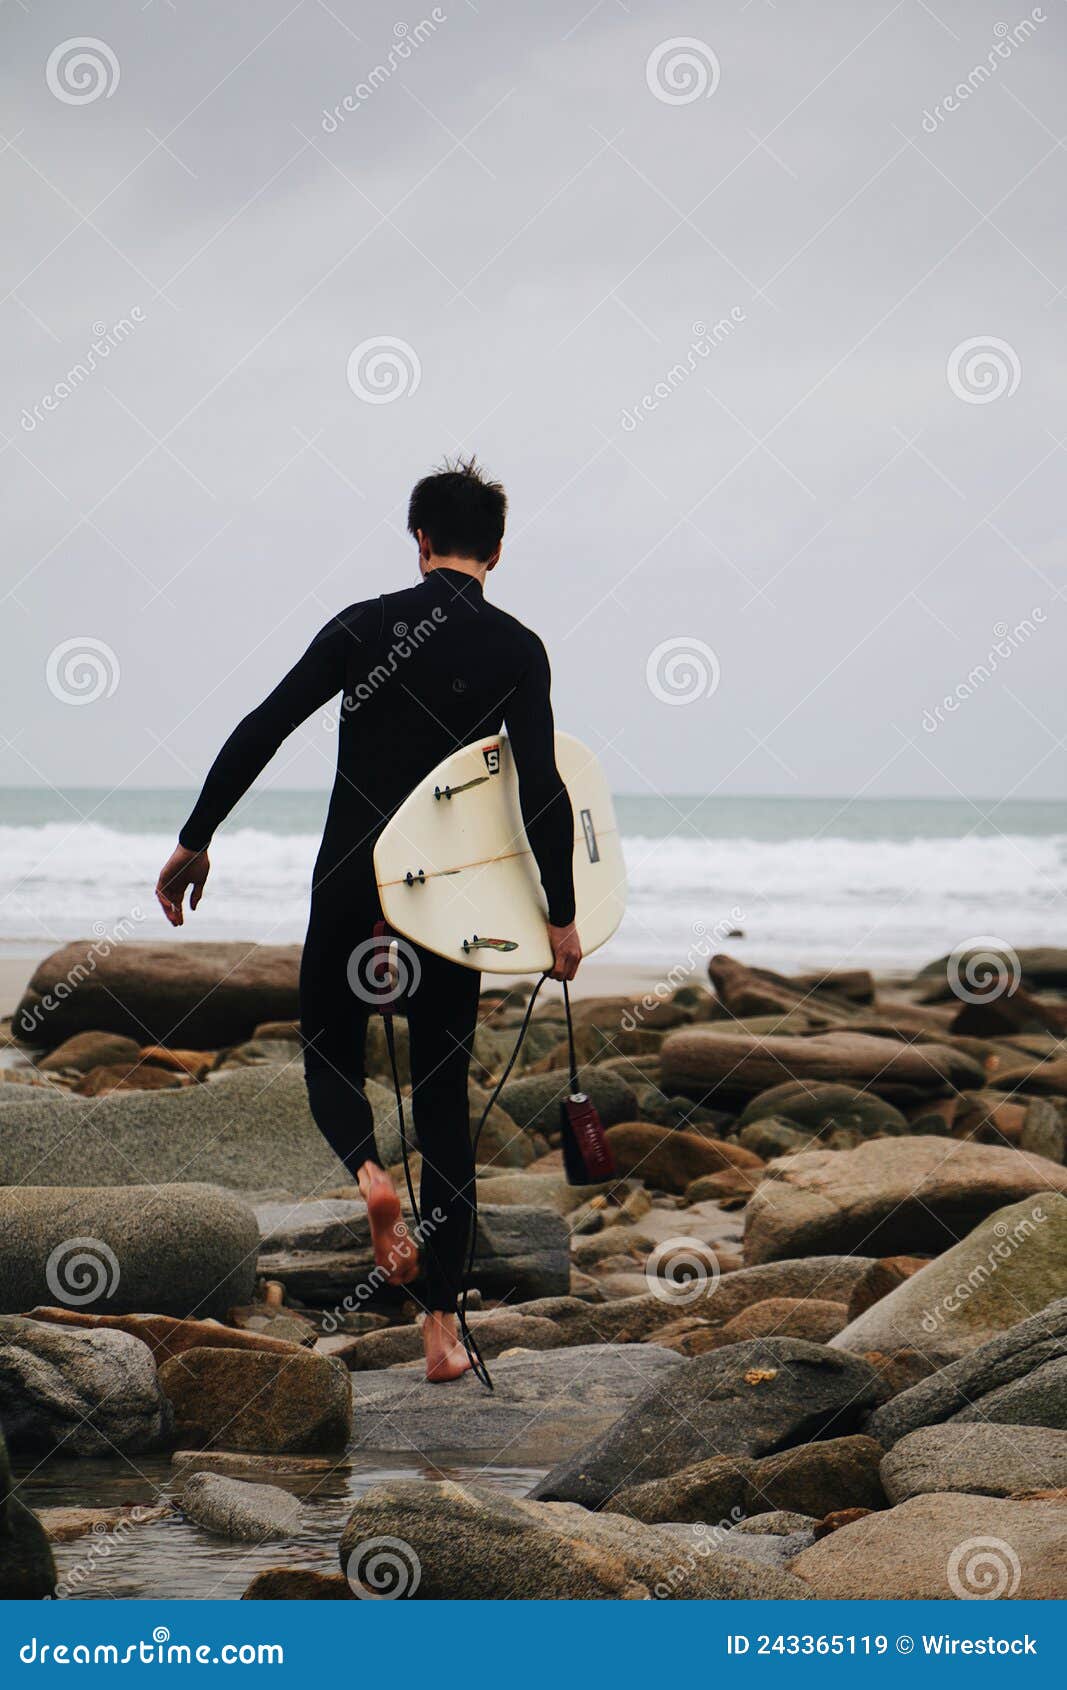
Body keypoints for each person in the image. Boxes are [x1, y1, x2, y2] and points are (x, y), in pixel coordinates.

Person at [155, 458, 581, 1382]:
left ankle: (367, 1178)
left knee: (327, 1049)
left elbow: (263, 725)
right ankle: (438, 1332)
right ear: (496, 553)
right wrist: (561, 916)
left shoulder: (361, 625)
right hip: (442, 902)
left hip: (353, 881)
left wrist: (197, 836)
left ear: (418, 540)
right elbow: (539, 789)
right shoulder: (517, 649)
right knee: (442, 1104)